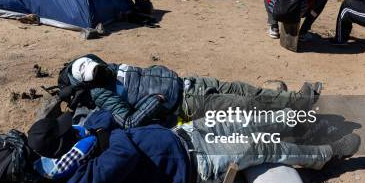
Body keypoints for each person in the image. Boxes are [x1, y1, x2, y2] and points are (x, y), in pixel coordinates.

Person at [0, 109, 360, 183]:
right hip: (196, 164)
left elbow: (103, 119)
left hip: (183, 134)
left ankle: (314, 124)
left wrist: (90, 136)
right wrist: (98, 137)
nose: (78, 129)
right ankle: (325, 154)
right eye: (71, 133)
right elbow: (124, 152)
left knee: (249, 119)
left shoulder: (79, 147)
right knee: (265, 147)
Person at [58, 54, 323, 129]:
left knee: (245, 89)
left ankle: (296, 101)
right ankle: (296, 111)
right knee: (243, 103)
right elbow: (128, 121)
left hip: (190, 83)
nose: (101, 71)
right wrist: (153, 103)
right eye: (95, 74)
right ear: (88, 82)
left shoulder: (105, 67)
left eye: (98, 67)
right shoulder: (101, 94)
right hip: (187, 103)